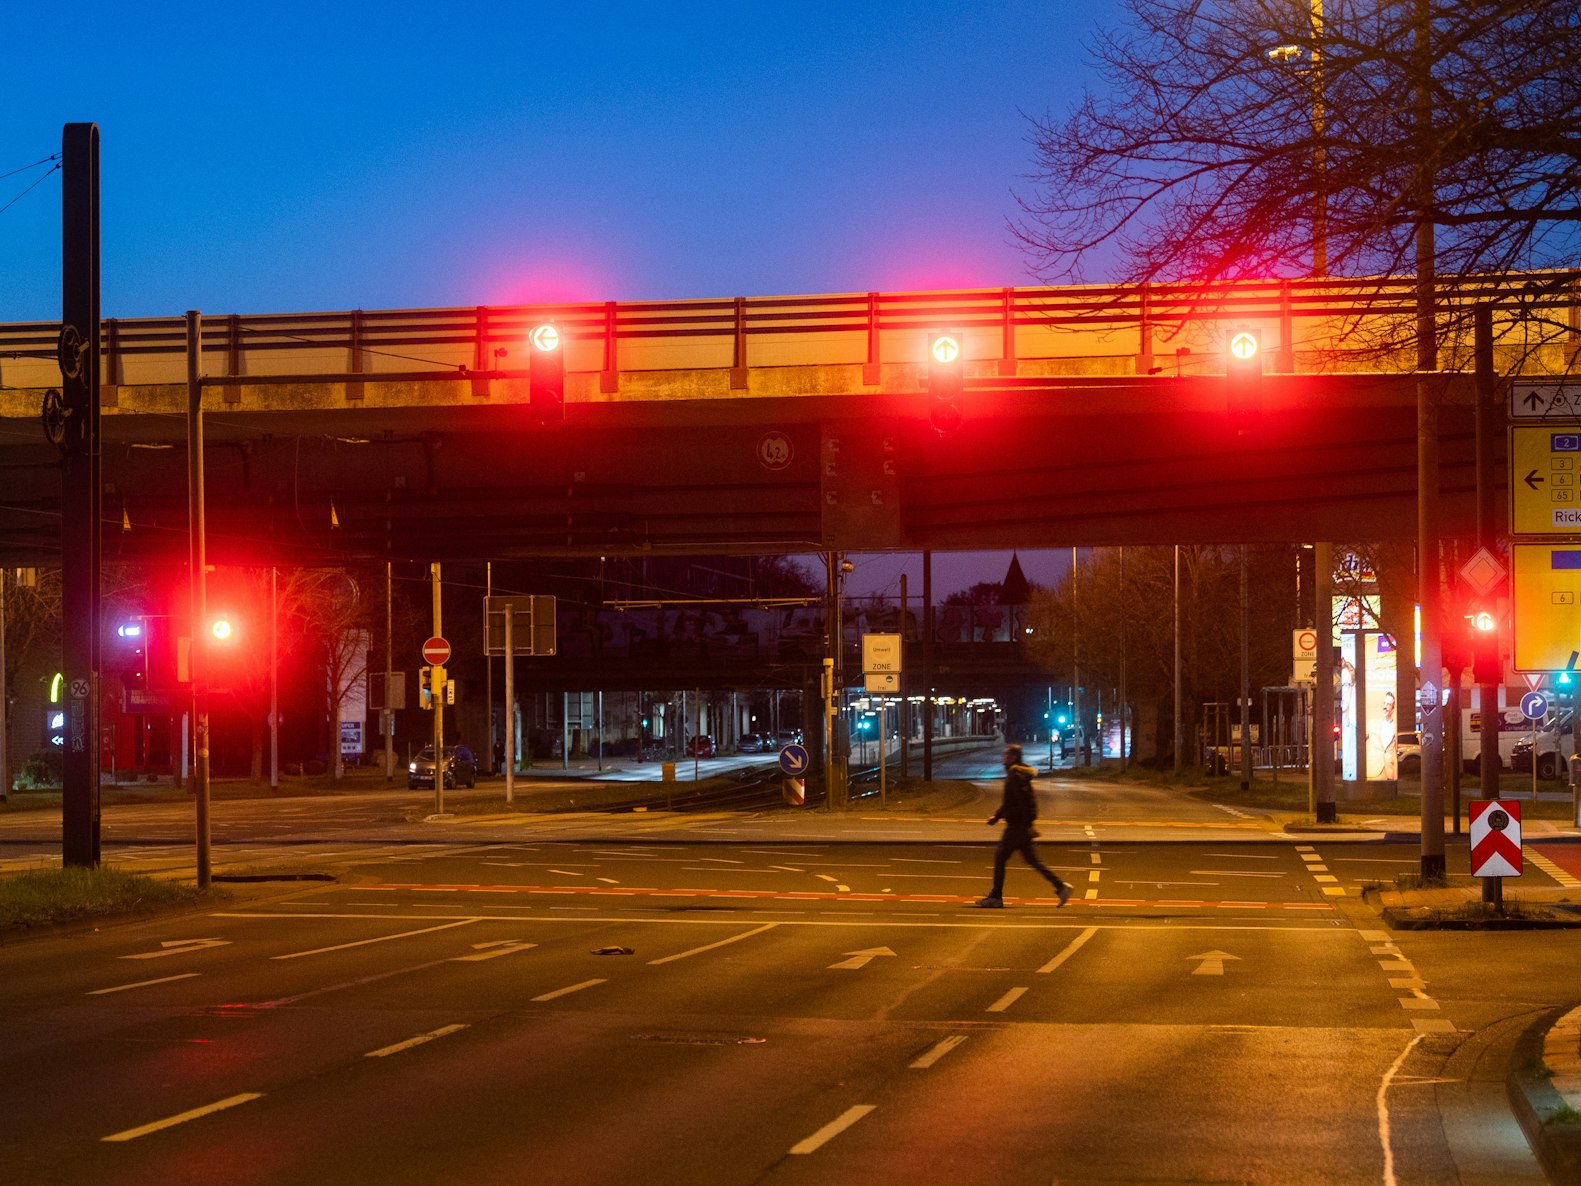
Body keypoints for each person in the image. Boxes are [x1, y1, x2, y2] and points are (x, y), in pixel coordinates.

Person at [977, 743, 1072, 908]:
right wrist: (997, 816)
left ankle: (996, 896)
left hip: (1016, 826)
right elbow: (1011, 801)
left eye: (1007, 755)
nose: (1004, 758)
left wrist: (1028, 824)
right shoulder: (1018, 773)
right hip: (1021, 825)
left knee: (1000, 857)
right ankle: (1061, 887)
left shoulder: (1015, 774)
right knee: (1032, 860)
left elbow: (1024, 800)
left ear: (1014, 757)